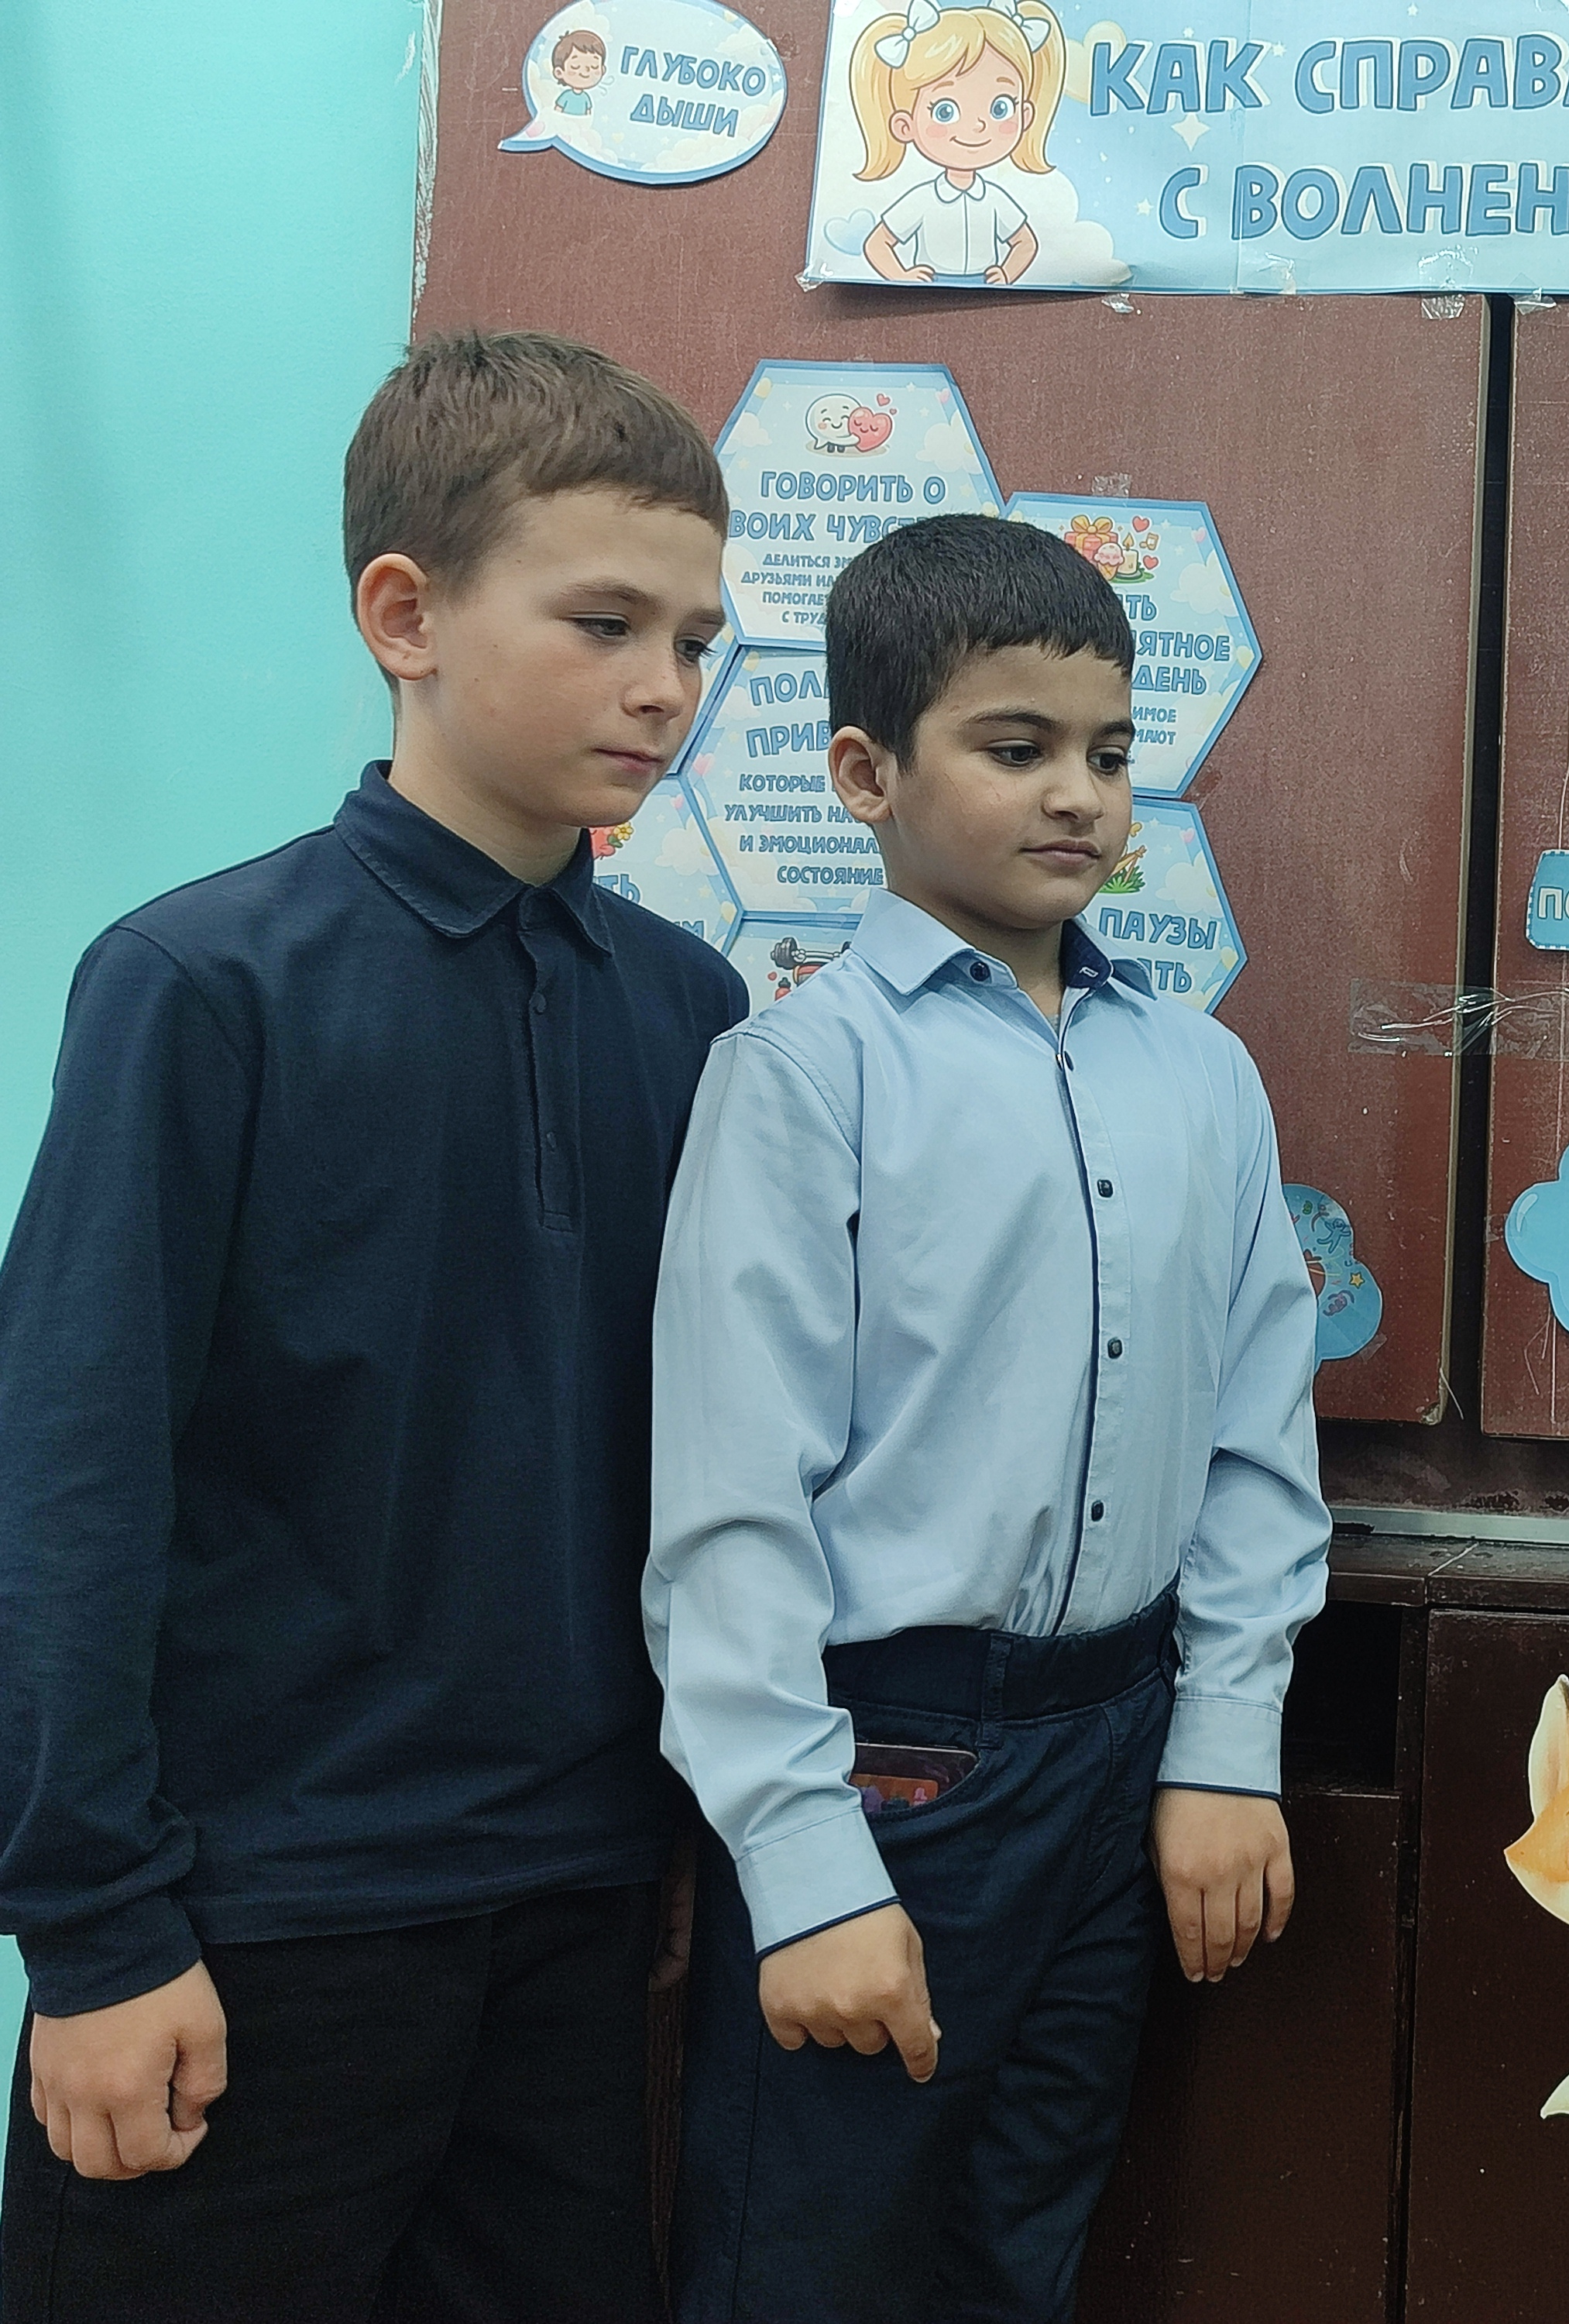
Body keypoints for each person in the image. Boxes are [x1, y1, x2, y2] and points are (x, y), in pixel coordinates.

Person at [0, 331, 747, 2322]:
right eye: (605, 623)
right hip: (249, 1925)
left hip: (575, 1912)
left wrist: (674, 1841)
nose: (665, 686)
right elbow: (68, 1472)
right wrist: (92, 1926)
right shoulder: (201, 983)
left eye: (696, 638)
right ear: (404, 615)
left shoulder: (689, 1014)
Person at [646, 512, 1328, 2324]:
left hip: (1122, 1741)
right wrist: (803, 1864)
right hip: (887, 1762)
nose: (1078, 795)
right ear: (864, 773)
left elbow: (1258, 1433)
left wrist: (1222, 1741)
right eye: (1015, 747)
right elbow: (729, 1509)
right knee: (812, 2260)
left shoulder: (1202, 1074)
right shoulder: (800, 1078)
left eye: (1108, 750)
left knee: (1022, 2248)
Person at [848, 2, 1067, 287]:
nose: (977, 126)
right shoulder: (922, 199)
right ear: (905, 125)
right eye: (945, 111)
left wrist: (1007, 275)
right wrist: (901, 277)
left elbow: (1026, 242)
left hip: (990, 291)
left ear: (1025, 115)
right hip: (928, 291)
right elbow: (877, 244)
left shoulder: (993, 199)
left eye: (1000, 107)